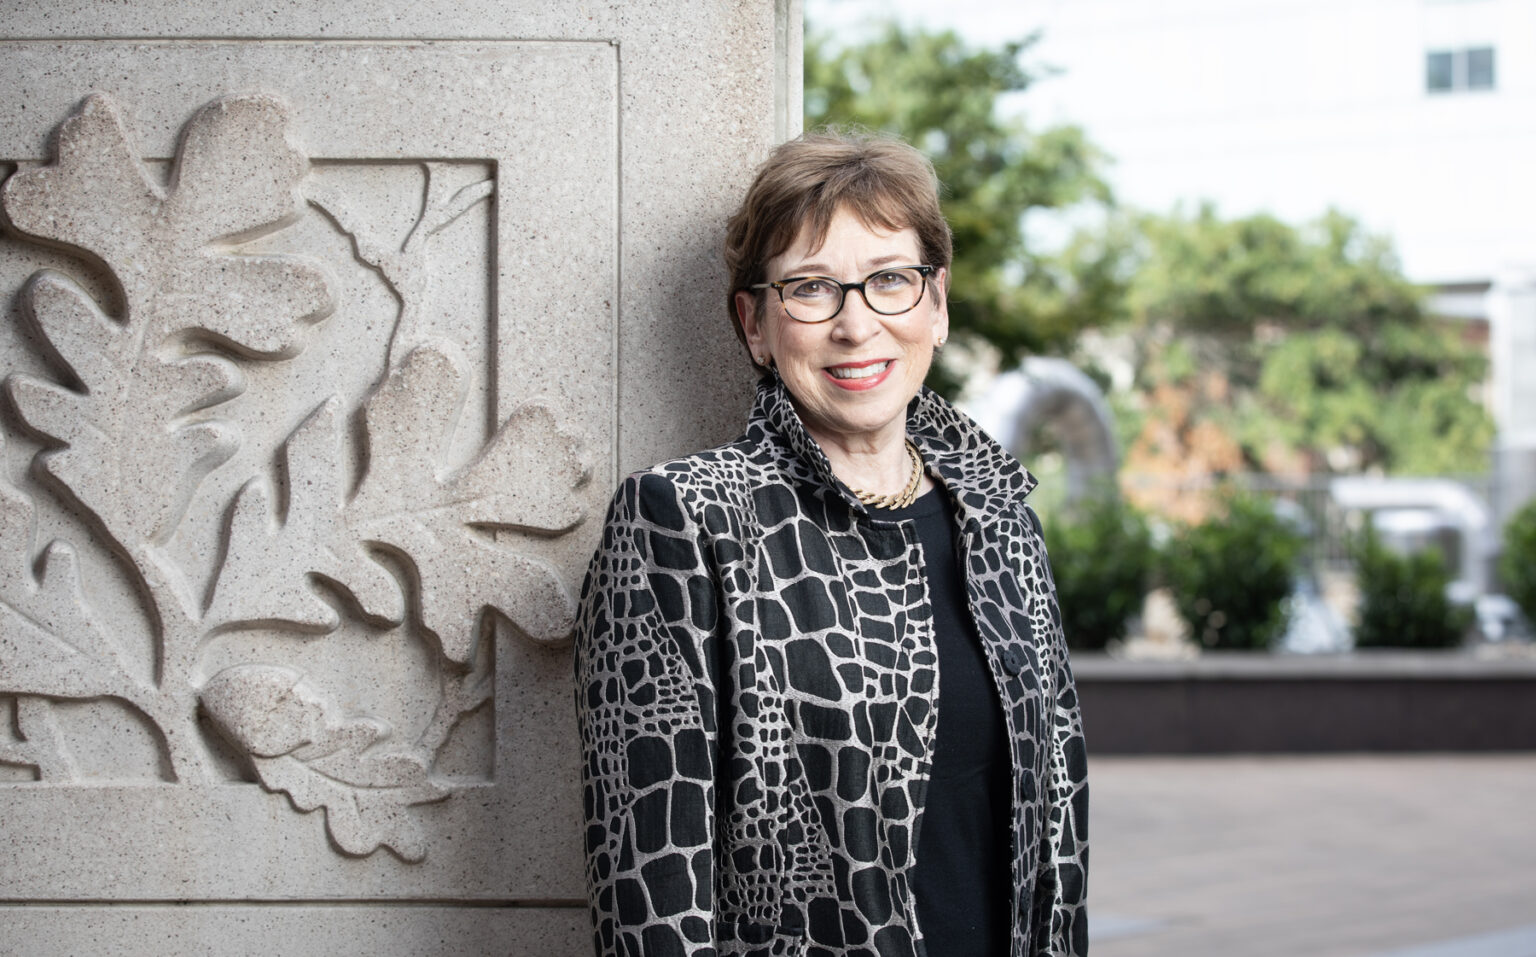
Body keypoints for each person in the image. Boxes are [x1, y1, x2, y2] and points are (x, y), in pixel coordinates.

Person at [574, 130, 1088, 957]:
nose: (858, 325)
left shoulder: (1002, 517)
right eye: (812, 288)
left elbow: (1056, 843)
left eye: (890, 279)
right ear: (756, 323)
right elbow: (650, 892)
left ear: (937, 304)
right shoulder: (684, 520)